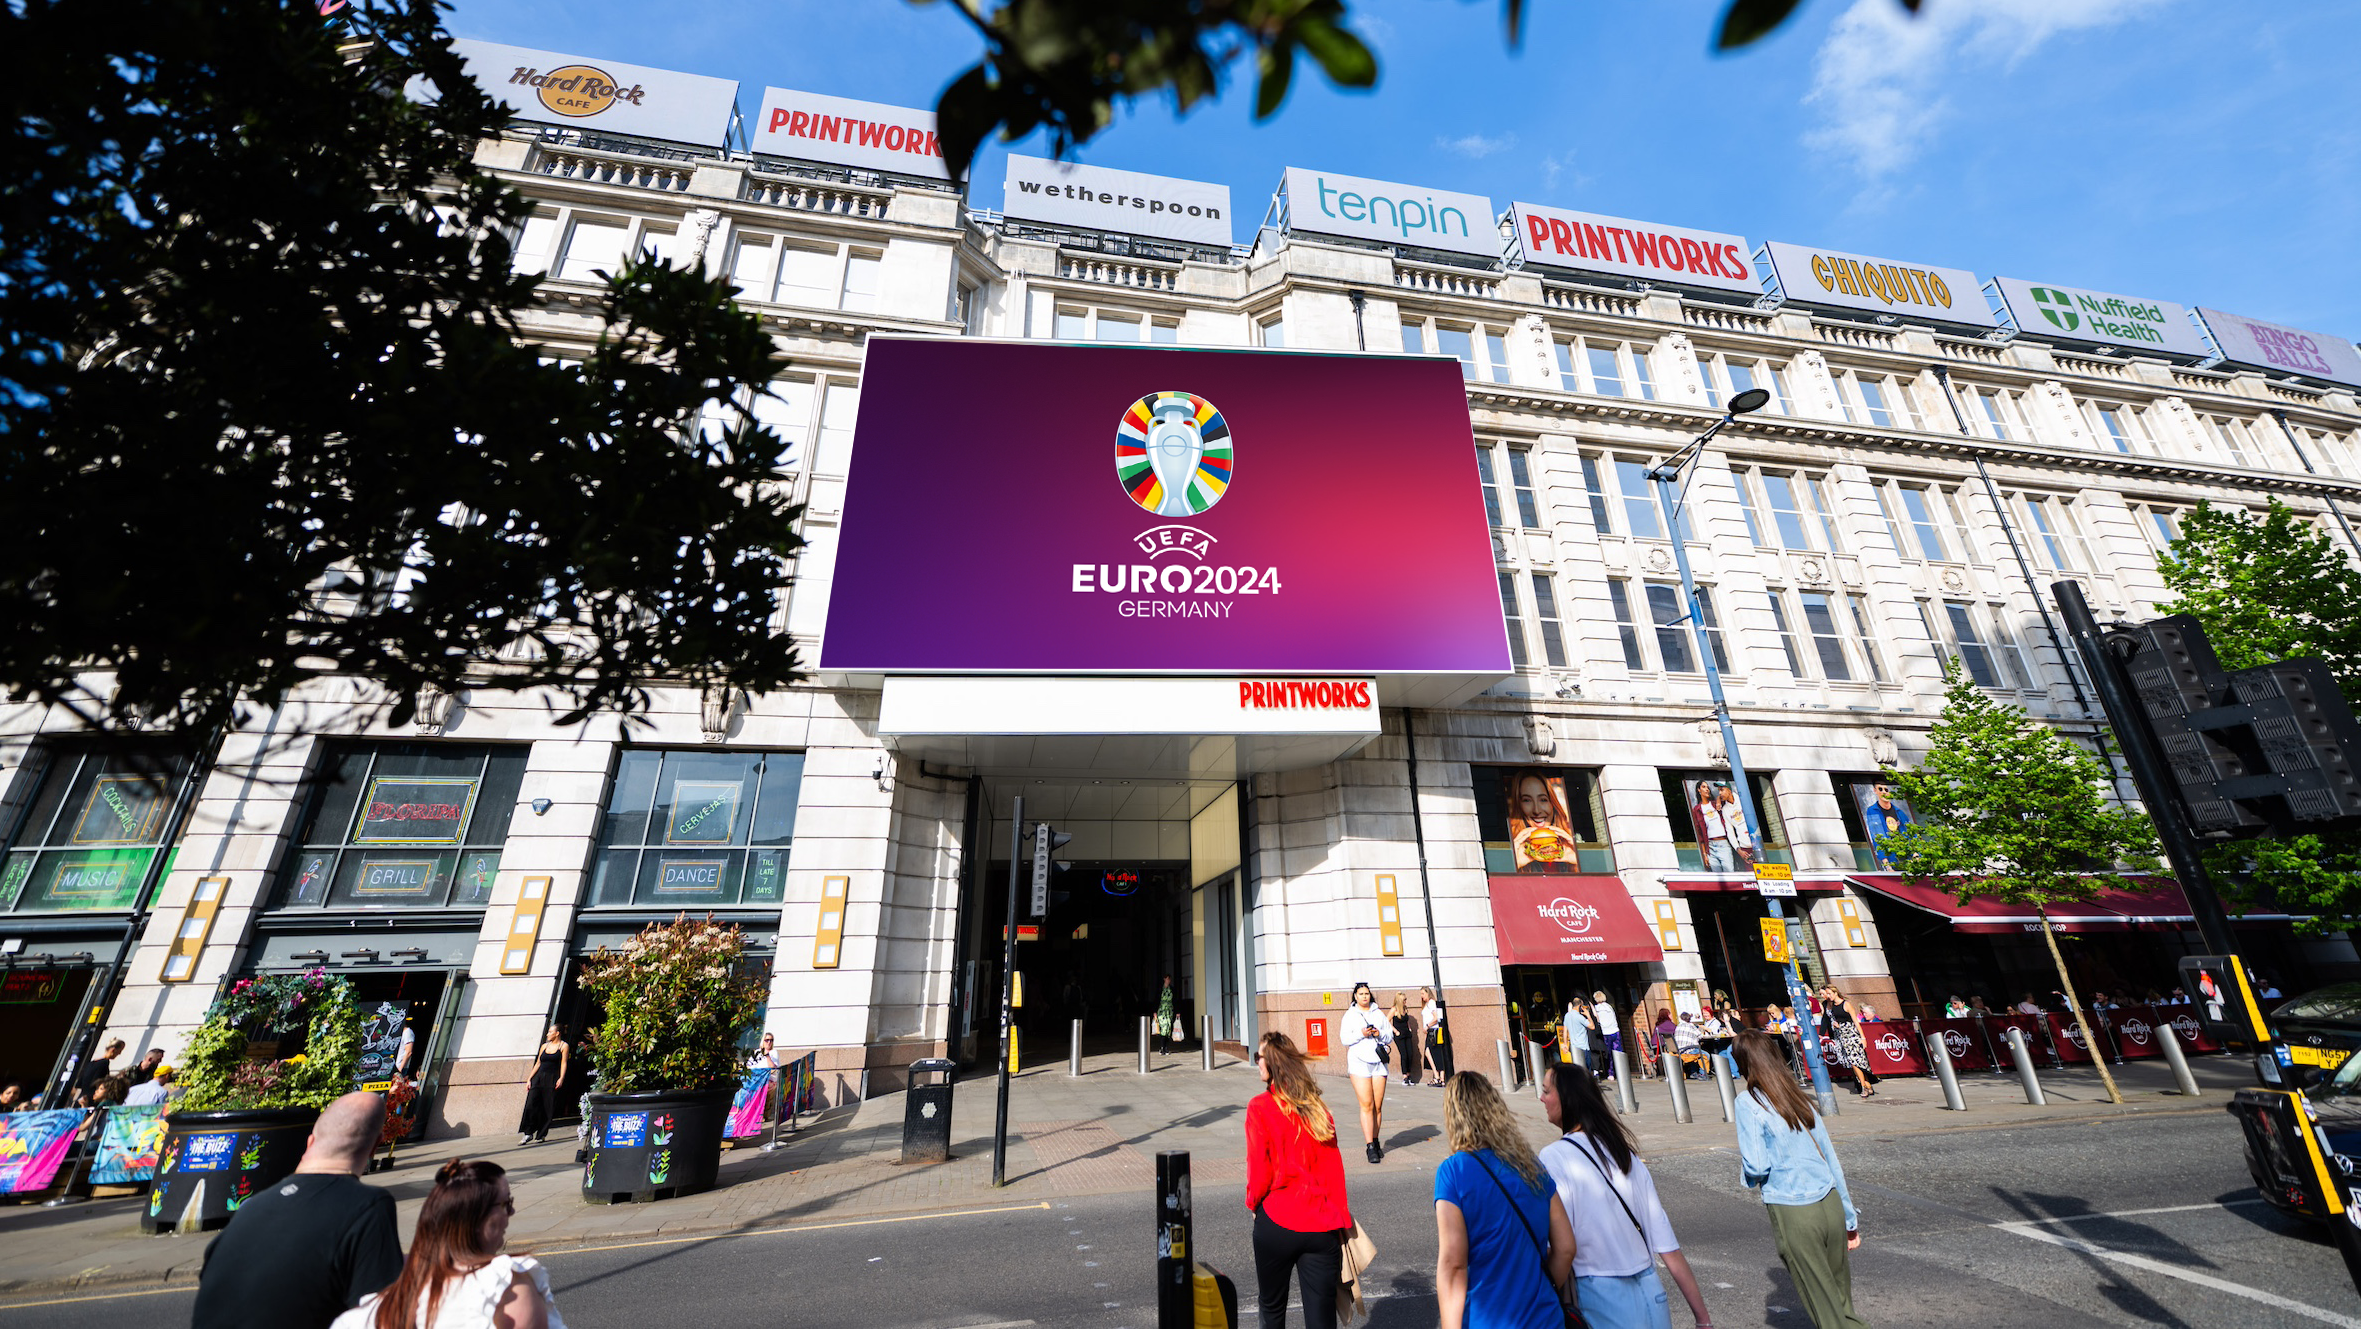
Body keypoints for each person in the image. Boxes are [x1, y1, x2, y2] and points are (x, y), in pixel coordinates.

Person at [194, 1093, 403, 1329]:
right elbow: (383, 1316)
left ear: (310, 1142)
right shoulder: (368, 1206)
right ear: (375, 1145)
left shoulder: (250, 1208)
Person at [1540, 1064, 1713, 1329]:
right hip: (1651, 1293)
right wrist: (1702, 1319)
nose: (1541, 1099)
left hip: (1599, 1296)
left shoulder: (1554, 1157)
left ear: (1566, 1098)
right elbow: (1669, 1248)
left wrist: (1543, 1293)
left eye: (1546, 1091)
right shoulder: (1625, 1153)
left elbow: (1562, 1246)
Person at [1731, 1031, 1865, 1329]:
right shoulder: (1797, 1095)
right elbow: (1831, 1160)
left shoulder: (1747, 1101)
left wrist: (1747, 1178)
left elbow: (1756, 1165)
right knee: (1843, 1306)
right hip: (1829, 1202)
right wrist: (1849, 1219)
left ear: (1743, 1063)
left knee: (1827, 1312)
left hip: (1794, 1210)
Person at [334, 1159, 564, 1329]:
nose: (511, 1212)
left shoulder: (376, 1307)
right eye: (506, 1203)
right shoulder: (506, 1286)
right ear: (474, 1217)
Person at [1434, 1072, 1572, 1329]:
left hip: (1488, 1320)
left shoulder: (1454, 1172)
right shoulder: (1530, 1166)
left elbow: (1453, 1265)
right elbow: (1565, 1248)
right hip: (1545, 1318)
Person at [1246, 1032, 1351, 1329]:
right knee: (1321, 1317)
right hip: (1320, 1224)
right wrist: (1339, 1218)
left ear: (1272, 1065)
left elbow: (1258, 1173)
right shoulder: (1319, 1109)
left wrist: (1254, 1203)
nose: (1256, 1064)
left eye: (1258, 1058)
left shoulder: (1259, 1107)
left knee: (1272, 1307)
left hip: (1277, 1220)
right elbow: (1334, 1171)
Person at [1342, 981, 1393, 1163]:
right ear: (1355, 996)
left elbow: (1390, 1035)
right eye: (1361, 994)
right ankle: (1370, 1146)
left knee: (1378, 1106)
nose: (1365, 996)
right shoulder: (1350, 1015)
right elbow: (1344, 1038)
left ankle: (1376, 1140)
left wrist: (1379, 1033)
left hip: (1378, 1061)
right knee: (1366, 1104)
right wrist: (1362, 1033)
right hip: (1359, 1062)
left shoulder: (1378, 1013)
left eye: (1367, 993)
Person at [517, 1024, 569, 1147]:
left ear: (557, 1033)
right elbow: (538, 1063)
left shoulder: (563, 1046)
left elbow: (563, 1063)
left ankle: (541, 1134)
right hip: (539, 1078)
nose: (547, 1034)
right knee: (531, 1104)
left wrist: (561, 1078)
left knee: (547, 1106)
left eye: (550, 1032)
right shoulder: (544, 1046)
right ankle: (528, 1132)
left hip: (552, 1078)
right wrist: (529, 1078)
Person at [1819, 989, 1876, 1099]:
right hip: (1841, 1036)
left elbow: (1855, 1022)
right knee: (1852, 1062)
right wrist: (1832, 1026)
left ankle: (1864, 1086)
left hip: (1852, 1035)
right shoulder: (1830, 1006)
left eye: (1829, 993)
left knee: (1856, 1061)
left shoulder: (1846, 1004)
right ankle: (1867, 1086)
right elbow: (1827, 1018)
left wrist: (1863, 1037)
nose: (1827, 996)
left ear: (1835, 993)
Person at [1391, 992, 1425, 1088]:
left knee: (1410, 1054)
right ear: (1399, 1001)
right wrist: (1395, 1031)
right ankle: (1405, 1076)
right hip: (1399, 1035)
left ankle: (1409, 1075)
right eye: (1404, 1000)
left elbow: (1407, 1020)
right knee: (1404, 1055)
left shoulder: (1405, 1009)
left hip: (1407, 1033)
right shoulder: (1394, 1009)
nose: (1405, 1001)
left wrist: (1409, 1028)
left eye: (1406, 1000)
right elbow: (1386, 1020)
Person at [1423, 989, 1454, 1086]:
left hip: (1433, 1031)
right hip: (1433, 1031)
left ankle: (1437, 1077)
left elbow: (1436, 1018)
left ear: (1428, 993)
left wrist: (1427, 1026)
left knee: (1429, 1052)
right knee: (1436, 1054)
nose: (1422, 996)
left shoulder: (1431, 1003)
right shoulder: (1429, 1003)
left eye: (1423, 993)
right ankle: (1441, 1078)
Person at [1592, 992, 1622, 1078]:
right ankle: (1620, 1070)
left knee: (1608, 1054)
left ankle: (1610, 1072)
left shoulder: (1597, 1009)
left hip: (1606, 1033)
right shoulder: (1609, 1007)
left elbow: (1596, 1019)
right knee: (1617, 1052)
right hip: (1615, 1031)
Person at [1672, 1013, 1705, 1080]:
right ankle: (1703, 1074)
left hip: (1678, 1050)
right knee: (1705, 1055)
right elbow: (1700, 1036)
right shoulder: (1690, 1026)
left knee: (1694, 1051)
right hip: (1687, 1050)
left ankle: (1693, 1073)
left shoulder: (1678, 1026)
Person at [1153, 975, 1178, 1054]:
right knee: (1163, 1028)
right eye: (1166, 979)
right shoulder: (1160, 989)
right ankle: (1162, 1046)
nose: (1168, 981)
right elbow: (1156, 1000)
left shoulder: (1172, 989)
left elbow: (1175, 1000)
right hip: (1161, 1011)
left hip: (1169, 1011)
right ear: (1164, 979)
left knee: (1168, 1028)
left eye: (1169, 979)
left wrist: (1177, 1012)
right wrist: (1155, 1012)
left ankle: (1165, 1047)